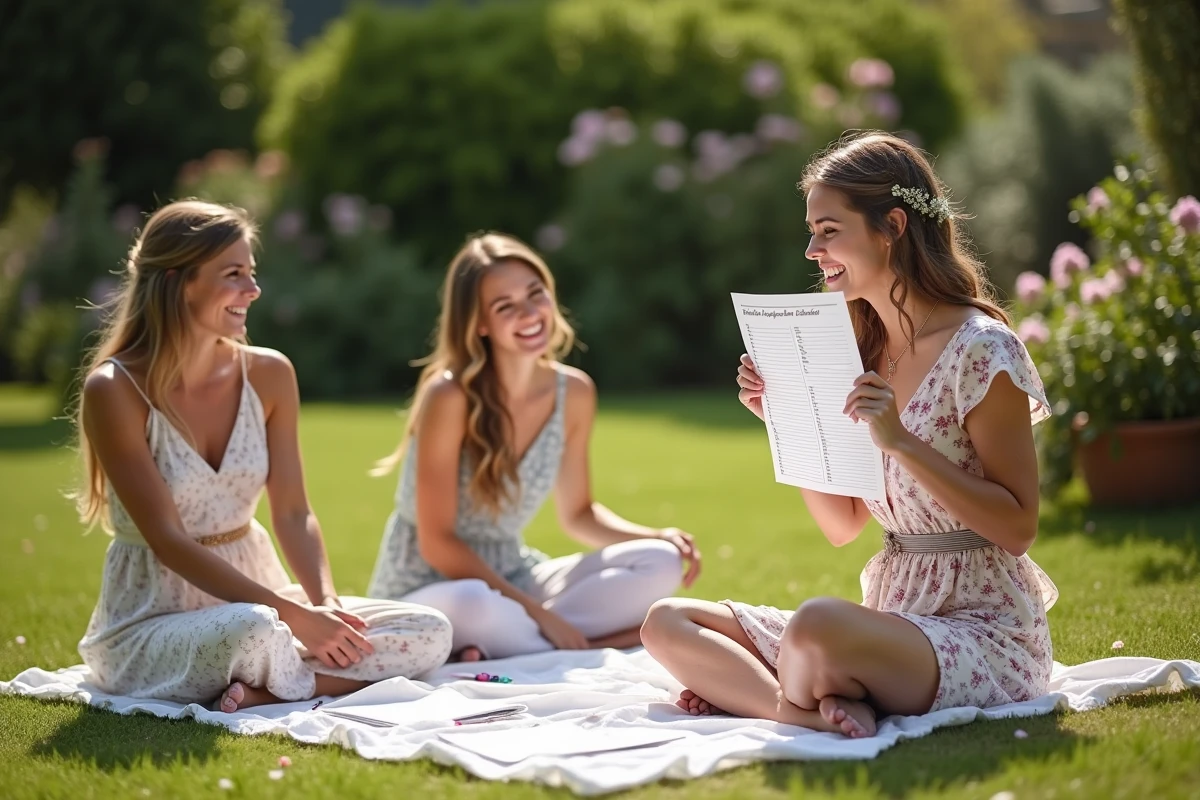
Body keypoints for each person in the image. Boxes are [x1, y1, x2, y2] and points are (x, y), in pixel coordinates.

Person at [641, 131, 1058, 738]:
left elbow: (1018, 527)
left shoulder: (982, 351)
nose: (812, 249)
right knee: (666, 622)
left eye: (828, 230)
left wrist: (902, 442)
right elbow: (844, 527)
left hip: (982, 632)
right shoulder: (861, 349)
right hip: (889, 618)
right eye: (811, 231)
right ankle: (803, 708)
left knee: (815, 630)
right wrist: (781, 419)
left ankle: (776, 691)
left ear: (891, 225)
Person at [75, 200, 453, 713]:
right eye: (233, 275)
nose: (252, 291)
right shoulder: (114, 389)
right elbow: (166, 540)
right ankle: (304, 678)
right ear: (176, 281)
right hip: (154, 622)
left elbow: (294, 513)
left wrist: (324, 605)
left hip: (266, 598)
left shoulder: (270, 375)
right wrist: (295, 620)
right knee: (252, 630)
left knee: (428, 629)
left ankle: (266, 690)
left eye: (251, 274)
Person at [367, 232, 700, 662]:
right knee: (476, 604)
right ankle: (578, 643)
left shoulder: (574, 393)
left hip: (515, 574)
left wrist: (656, 535)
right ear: (479, 324)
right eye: (505, 306)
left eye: (535, 294)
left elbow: (578, 514)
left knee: (660, 562)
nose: (529, 313)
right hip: (429, 587)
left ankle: (501, 647)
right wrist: (541, 615)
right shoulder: (448, 397)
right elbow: (438, 543)